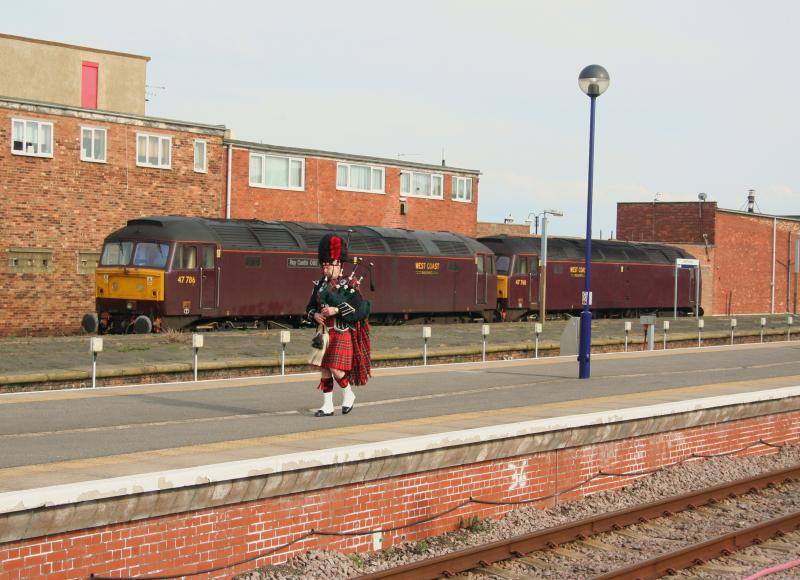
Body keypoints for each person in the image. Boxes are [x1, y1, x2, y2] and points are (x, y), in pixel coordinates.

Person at [306, 233, 372, 417]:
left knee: (335, 368)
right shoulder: (319, 285)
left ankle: (348, 393)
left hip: (342, 331)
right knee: (325, 369)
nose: (325, 268)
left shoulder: (349, 284)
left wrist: (336, 310)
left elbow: (358, 307)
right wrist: (315, 314)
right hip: (324, 332)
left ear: (339, 264)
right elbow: (309, 307)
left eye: (329, 264)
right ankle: (327, 405)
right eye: (324, 264)